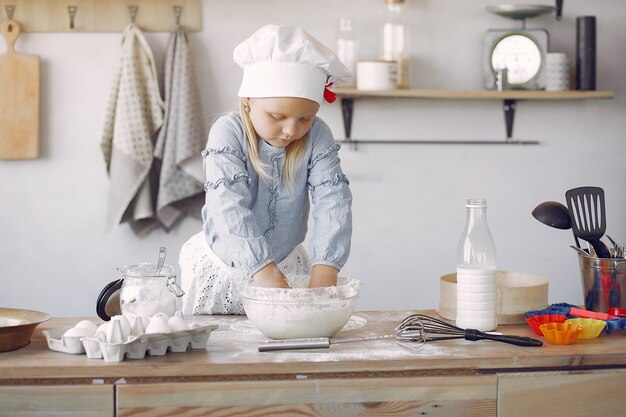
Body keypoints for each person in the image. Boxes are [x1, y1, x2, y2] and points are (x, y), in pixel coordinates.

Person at [179, 24, 353, 315]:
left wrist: (325, 270)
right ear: (248, 102)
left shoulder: (317, 135)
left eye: (305, 118)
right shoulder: (228, 132)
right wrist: (265, 273)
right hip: (223, 271)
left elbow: (333, 200)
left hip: (288, 267)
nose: (290, 130)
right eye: (277, 116)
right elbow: (227, 206)